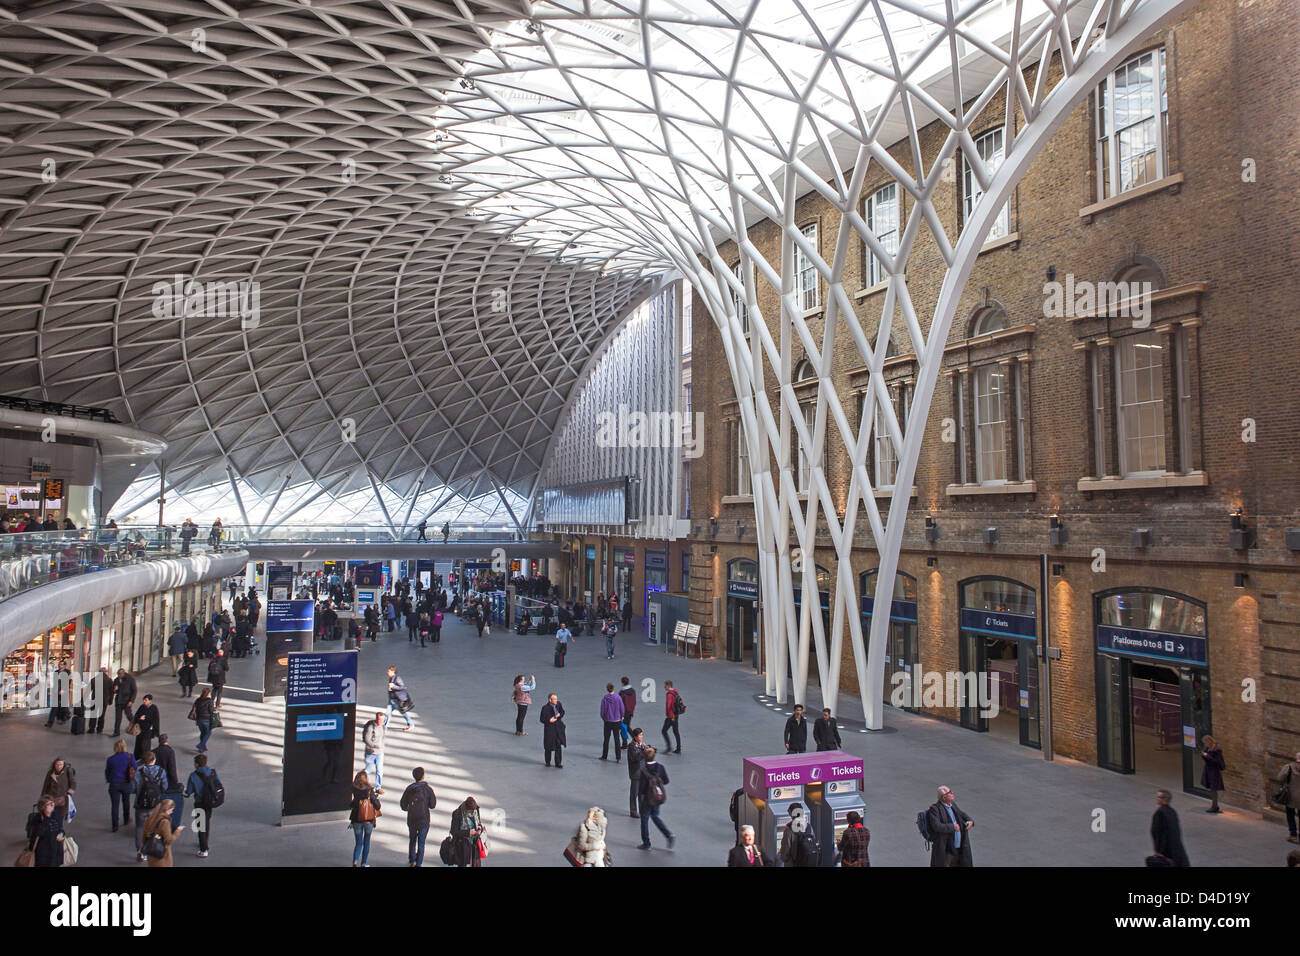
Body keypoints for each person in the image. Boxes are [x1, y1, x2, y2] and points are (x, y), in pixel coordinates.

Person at [926, 786, 974, 867]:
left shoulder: (952, 805)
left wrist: (970, 820)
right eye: (950, 792)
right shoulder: (935, 809)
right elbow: (937, 826)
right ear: (944, 797)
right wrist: (953, 827)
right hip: (946, 848)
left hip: (959, 847)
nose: (952, 793)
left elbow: (961, 814)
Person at [636, 746, 674, 850]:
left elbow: (642, 789)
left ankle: (646, 843)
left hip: (647, 799)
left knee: (644, 820)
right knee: (655, 816)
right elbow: (666, 781)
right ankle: (668, 835)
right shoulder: (660, 767)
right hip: (657, 797)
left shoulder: (644, 771)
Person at [133, 751, 168, 862]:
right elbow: (165, 787)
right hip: (155, 805)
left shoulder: (139, 773)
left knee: (139, 828)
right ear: (154, 760)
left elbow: (134, 789)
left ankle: (140, 851)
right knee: (154, 828)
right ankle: (154, 848)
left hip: (141, 805)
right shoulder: (161, 772)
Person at [400, 767, 437, 867]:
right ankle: (419, 863)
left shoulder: (410, 789)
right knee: (421, 843)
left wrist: (409, 809)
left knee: (412, 840)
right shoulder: (428, 789)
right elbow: (433, 805)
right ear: (423, 776)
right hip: (424, 820)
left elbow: (403, 805)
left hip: (412, 819)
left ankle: (412, 860)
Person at [184, 753, 219, 858]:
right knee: (206, 822)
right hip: (209, 802)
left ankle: (203, 849)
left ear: (196, 764)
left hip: (199, 803)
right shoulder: (212, 772)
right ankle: (205, 842)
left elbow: (189, 792)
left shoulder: (193, 776)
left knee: (200, 826)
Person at [1150, 789, 1191, 867]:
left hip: (1166, 849)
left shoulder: (1160, 813)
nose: (1157, 799)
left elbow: (1157, 832)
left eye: (1159, 797)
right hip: (1175, 847)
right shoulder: (1172, 811)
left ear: (1164, 799)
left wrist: (1159, 850)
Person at [348, 770, 381, 867]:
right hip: (368, 821)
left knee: (358, 843)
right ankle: (363, 863)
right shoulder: (369, 790)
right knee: (366, 841)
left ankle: (355, 861)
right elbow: (377, 806)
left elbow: (352, 805)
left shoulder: (354, 790)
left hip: (356, 820)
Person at [104, 740, 137, 832]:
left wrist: (110, 779)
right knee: (126, 801)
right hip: (126, 783)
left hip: (114, 784)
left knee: (114, 805)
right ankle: (126, 819)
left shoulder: (110, 759)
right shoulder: (130, 757)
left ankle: (115, 825)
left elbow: (107, 772)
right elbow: (135, 767)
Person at [154, 733, 184, 831]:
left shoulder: (154, 751)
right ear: (167, 741)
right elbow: (172, 768)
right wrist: (175, 780)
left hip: (157, 779)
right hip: (167, 779)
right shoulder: (170, 752)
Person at [140, 799, 182, 867]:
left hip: (151, 854)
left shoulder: (151, 818)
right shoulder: (164, 822)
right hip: (161, 856)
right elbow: (168, 840)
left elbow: (143, 837)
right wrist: (177, 831)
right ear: (167, 809)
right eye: (171, 809)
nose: (172, 812)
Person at [779, 803, 821, 867]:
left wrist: (783, 858)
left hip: (794, 863)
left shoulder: (789, 829)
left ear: (791, 814)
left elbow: (785, 851)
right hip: (809, 862)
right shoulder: (808, 827)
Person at [28, 797, 65, 868]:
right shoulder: (37, 819)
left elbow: (61, 829)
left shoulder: (56, 815)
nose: (52, 804)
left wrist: (61, 834)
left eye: (53, 802)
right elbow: (38, 833)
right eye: (49, 804)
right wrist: (47, 817)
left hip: (56, 851)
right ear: (43, 807)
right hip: (43, 854)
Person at [449, 796, 485, 867]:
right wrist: (468, 832)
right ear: (466, 808)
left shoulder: (476, 810)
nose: (472, 813)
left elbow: (479, 822)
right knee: (463, 864)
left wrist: (479, 827)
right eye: (470, 811)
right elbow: (454, 831)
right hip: (462, 843)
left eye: (473, 811)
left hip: (475, 841)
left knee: (476, 864)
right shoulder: (457, 814)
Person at [40, 756, 77, 825]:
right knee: (49, 817)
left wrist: (69, 794)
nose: (59, 766)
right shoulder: (50, 773)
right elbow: (45, 786)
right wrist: (42, 798)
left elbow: (73, 784)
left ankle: (59, 833)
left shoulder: (68, 771)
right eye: (57, 764)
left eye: (61, 764)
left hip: (62, 800)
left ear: (63, 765)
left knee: (59, 818)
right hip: (51, 799)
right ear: (54, 765)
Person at [1276, 751, 1300, 844]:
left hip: (1291, 796)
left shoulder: (1289, 767)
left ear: (1296, 758)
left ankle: (1293, 835)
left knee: (1290, 815)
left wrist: (1286, 775)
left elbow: (1279, 778)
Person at [129, 693, 160, 760]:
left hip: (148, 731)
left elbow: (156, 720)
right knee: (138, 745)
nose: (144, 701)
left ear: (150, 700)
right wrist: (140, 719)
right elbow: (136, 716)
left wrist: (156, 731)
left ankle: (146, 758)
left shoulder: (154, 708)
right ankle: (138, 757)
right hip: (140, 730)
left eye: (146, 700)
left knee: (145, 745)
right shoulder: (142, 707)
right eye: (144, 700)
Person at [599, 682, 625, 761]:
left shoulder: (605, 698)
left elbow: (602, 711)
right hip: (616, 721)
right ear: (613, 688)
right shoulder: (618, 698)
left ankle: (604, 756)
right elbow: (622, 708)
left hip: (607, 722)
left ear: (607, 689)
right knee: (617, 739)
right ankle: (618, 757)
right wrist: (622, 716)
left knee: (606, 739)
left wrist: (604, 718)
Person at [1200, 735, 1225, 813]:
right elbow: (1207, 758)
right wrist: (1204, 755)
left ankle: (1214, 806)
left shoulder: (1217, 750)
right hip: (1208, 770)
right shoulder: (1207, 748)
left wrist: (1207, 756)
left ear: (1209, 742)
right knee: (1212, 789)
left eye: (1205, 743)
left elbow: (1217, 762)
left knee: (1213, 789)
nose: (1204, 745)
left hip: (1214, 771)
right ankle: (1214, 806)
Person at [625, 728, 647, 818]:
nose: (641, 737)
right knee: (634, 793)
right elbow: (635, 758)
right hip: (635, 772)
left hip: (642, 772)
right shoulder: (632, 746)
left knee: (641, 793)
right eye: (640, 735)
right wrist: (644, 752)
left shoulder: (641, 745)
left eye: (642, 734)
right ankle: (633, 811)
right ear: (635, 737)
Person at [362, 712, 386, 791]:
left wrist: (381, 746)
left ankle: (378, 787)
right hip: (371, 753)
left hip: (379, 752)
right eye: (379, 719)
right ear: (376, 719)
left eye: (382, 720)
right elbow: (366, 739)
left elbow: (382, 737)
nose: (381, 721)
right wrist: (375, 746)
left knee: (379, 770)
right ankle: (362, 784)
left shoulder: (382, 726)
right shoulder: (370, 727)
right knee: (368, 770)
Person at [540, 693, 566, 768]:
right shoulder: (545, 708)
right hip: (550, 729)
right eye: (554, 699)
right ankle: (547, 761)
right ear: (550, 700)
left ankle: (558, 763)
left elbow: (562, 712)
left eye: (556, 699)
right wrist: (549, 720)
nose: (556, 700)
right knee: (548, 746)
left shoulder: (558, 704)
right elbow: (541, 719)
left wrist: (559, 715)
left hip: (558, 728)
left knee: (558, 745)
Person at [385, 666, 414, 730]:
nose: (387, 672)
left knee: (403, 713)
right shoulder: (391, 678)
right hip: (391, 699)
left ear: (393, 672)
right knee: (387, 713)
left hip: (397, 700)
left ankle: (411, 724)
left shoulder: (397, 678)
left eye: (388, 671)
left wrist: (394, 686)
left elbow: (402, 687)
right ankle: (384, 726)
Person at [111, 667, 136, 736]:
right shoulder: (116, 680)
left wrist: (131, 701)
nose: (119, 675)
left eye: (120, 674)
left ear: (123, 673)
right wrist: (115, 689)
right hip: (119, 702)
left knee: (129, 716)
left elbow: (134, 691)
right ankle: (116, 732)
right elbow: (114, 690)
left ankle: (136, 727)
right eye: (118, 674)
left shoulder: (130, 679)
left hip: (126, 701)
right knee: (118, 718)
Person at [662, 680, 683, 754]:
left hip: (671, 716)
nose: (664, 687)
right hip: (676, 715)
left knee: (664, 731)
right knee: (676, 732)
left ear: (668, 686)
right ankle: (678, 748)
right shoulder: (675, 692)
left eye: (665, 685)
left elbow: (668, 705)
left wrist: (667, 714)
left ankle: (668, 747)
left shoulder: (669, 695)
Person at [90, 666, 112, 734]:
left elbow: (90, 689)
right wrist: (110, 700)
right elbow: (111, 692)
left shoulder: (93, 680)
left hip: (95, 699)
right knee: (102, 715)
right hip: (104, 700)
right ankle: (99, 729)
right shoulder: (109, 680)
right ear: (105, 672)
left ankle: (91, 728)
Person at [191, 687, 215, 753]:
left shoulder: (198, 700)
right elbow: (211, 711)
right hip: (206, 719)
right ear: (208, 693)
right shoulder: (209, 701)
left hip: (198, 719)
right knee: (208, 733)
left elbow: (194, 709)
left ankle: (202, 748)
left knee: (203, 733)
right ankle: (201, 745)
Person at [617, 676, 637, 743]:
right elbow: (634, 702)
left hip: (623, 713)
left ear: (622, 683)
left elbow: (619, 704)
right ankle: (635, 740)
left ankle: (625, 744)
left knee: (623, 728)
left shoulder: (622, 693)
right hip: (630, 712)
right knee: (627, 727)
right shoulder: (633, 691)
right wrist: (632, 710)